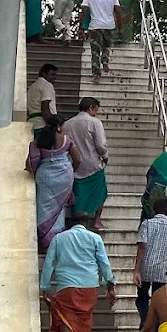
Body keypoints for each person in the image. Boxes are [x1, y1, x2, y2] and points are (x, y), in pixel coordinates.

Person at [40, 213, 116, 332]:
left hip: (67, 288)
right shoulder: (95, 238)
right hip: (90, 288)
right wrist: (110, 285)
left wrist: (45, 287)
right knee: (84, 321)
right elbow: (104, 263)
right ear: (86, 223)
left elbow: (49, 264)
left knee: (66, 325)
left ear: (68, 223)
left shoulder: (59, 239)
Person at [26, 116, 80, 251]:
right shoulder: (66, 140)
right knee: (59, 208)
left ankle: (44, 240)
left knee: (44, 207)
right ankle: (56, 241)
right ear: (59, 126)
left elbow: (32, 160)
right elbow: (77, 159)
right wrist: (71, 171)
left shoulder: (39, 139)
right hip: (64, 177)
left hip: (44, 177)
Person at [134, 196, 167, 332]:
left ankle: (144, 320)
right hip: (163, 270)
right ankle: (154, 329)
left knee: (142, 298)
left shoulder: (146, 224)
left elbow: (141, 247)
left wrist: (136, 270)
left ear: (153, 210)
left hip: (146, 267)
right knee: (159, 300)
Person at [63, 97, 109, 230]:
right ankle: (97, 220)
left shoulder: (67, 124)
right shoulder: (94, 123)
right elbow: (101, 145)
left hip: (74, 165)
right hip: (92, 163)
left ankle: (76, 222)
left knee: (77, 194)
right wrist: (105, 156)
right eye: (96, 109)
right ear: (90, 108)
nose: (96, 112)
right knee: (100, 192)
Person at [79, 0, 123, 77]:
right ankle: (105, 60)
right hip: (109, 26)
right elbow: (118, 11)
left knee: (95, 51)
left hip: (95, 26)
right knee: (106, 46)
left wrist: (81, 28)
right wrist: (120, 28)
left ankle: (96, 74)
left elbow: (83, 12)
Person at [27, 63, 60, 128]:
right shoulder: (47, 85)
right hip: (43, 125)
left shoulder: (32, 87)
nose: (54, 78)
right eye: (52, 75)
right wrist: (51, 124)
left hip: (32, 124)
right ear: (43, 74)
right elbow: (45, 106)